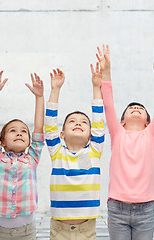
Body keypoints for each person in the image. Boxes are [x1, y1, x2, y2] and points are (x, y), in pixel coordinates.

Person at [97, 45, 154, 240]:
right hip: (117, 208)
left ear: (148, 122)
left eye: (140, 108)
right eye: (131, 108)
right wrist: (107, 72)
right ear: (122, 121)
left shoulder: (151, 134)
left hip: (145, 209)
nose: (135, 108)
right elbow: (109, 104)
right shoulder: (117, 132)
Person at [44, 66, 105, 240]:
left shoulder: (94, 150)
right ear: (62, 134)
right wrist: (55, 89)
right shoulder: (57, 152)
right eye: (72, 121)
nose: (78, 123)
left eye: (84, 122)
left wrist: (96, 87)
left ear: (91, 135)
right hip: (59, 228)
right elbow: (49, 125)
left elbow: (99, 121)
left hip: (86, 228)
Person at [0, 69, 45, 239]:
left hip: (26, 231)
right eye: (12, 131)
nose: (19, 133)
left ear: (29, 140)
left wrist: (39, 98)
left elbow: (39, 130)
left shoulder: (32, 158)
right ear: (2, 141)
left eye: (24, 131)